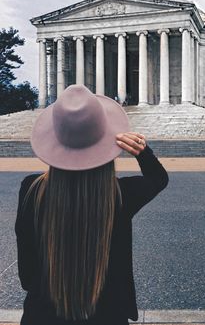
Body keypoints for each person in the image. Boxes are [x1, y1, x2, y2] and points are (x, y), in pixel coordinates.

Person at [15, 84, 169, 325]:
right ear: (107, 141)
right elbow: (158, 179)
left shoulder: (31, 189)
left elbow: (27, 274)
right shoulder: (120, 195)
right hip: (108, 315)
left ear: (54, 141)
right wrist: (142, 151)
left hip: (42, 314)